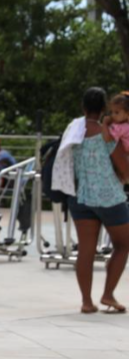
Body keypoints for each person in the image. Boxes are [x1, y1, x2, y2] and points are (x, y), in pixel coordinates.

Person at [58, 88, 129, 314]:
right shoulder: (108, 133)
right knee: (123, 244)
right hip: (108, 198)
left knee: (86, 251)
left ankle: (87, 302)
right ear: (103, 109)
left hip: (81, 197)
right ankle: (108, 295)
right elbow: (126, 171)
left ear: (83, 107)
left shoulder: (74, 132)